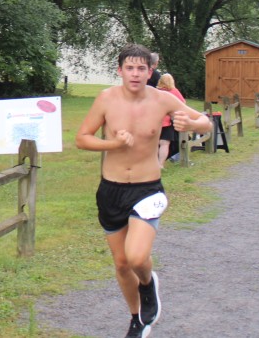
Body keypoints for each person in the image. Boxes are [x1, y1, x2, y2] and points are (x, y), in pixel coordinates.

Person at [76, 44, 212, 338]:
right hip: (111, 190)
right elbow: (82, 138)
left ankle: (148, 285)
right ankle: (136, 318)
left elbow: (206, 123)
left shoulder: (162, 99)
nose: (135, 74)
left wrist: (191, 122)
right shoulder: (106, 99)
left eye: (141, 68)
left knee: (137, 258)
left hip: (147, 189)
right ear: (120, 70)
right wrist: (113, 144)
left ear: (151, 72)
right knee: (122, 264)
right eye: (130, 68)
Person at [155, 73, 185, 168]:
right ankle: (160, 164)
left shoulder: (155, 92)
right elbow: (183, 103)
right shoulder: (174, 91)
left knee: (154, 144)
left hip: (155, 122)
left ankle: (152, 163)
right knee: (164, 144)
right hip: (167, 122)